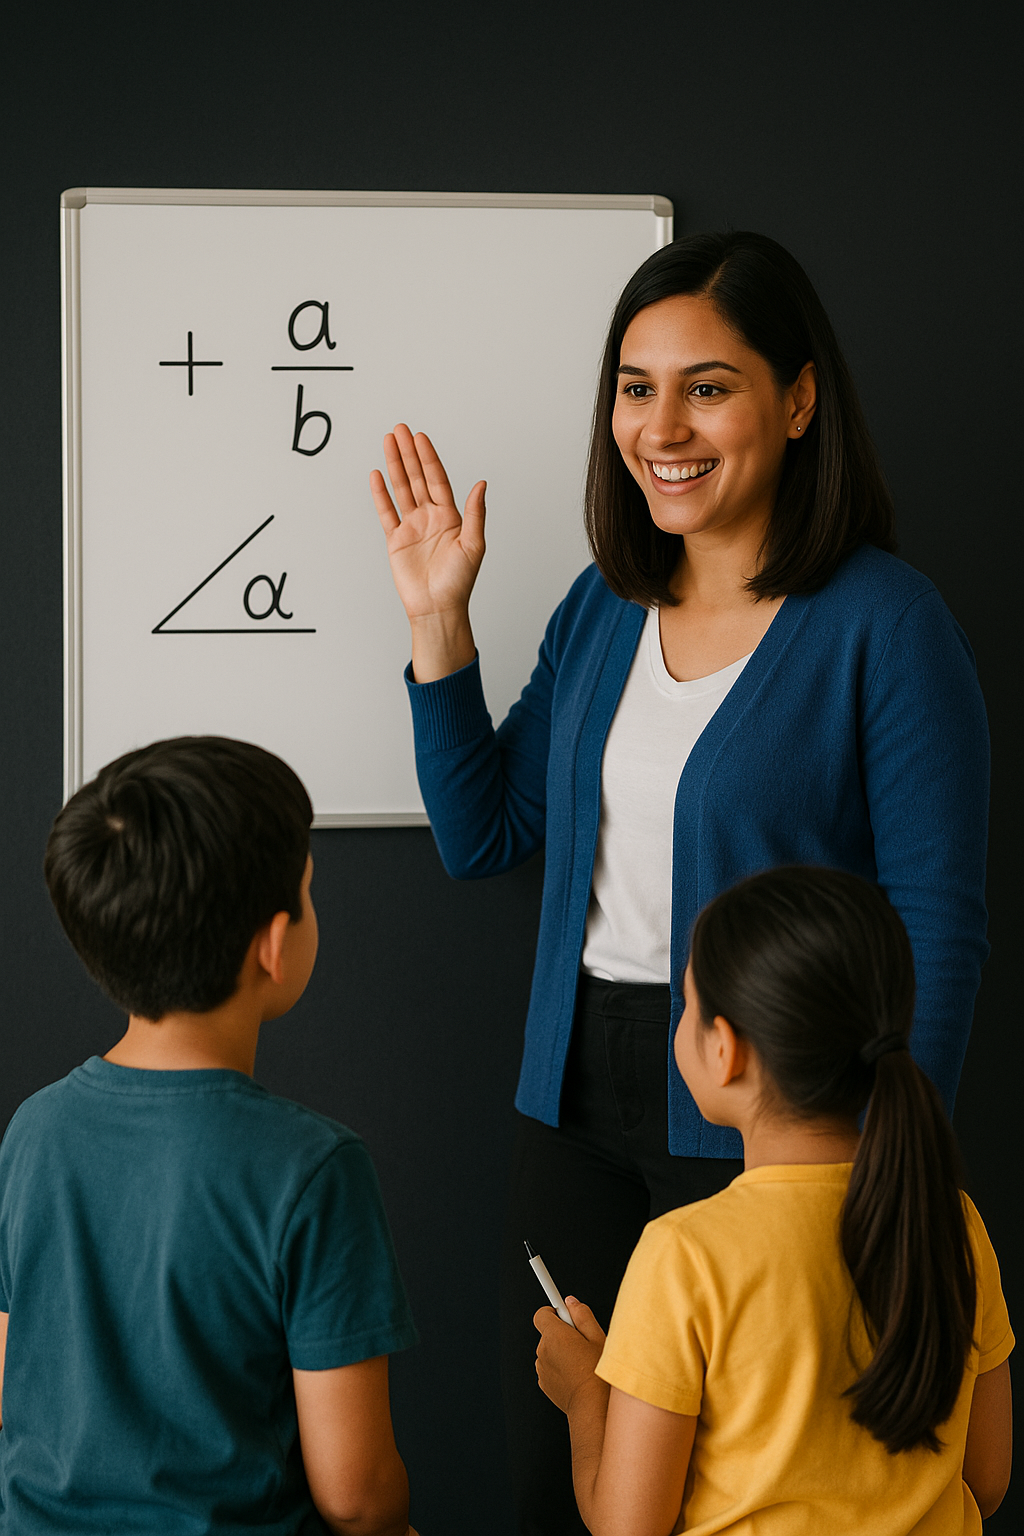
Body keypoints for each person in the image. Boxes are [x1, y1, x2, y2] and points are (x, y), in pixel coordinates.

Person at [369, 231, 990, 1533]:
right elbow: (486, 834)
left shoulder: (888, 623)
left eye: (708, 385)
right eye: (637, 387)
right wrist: (438, 622)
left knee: (717, 1494)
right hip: (574, 1107)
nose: (664, 425)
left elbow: (941, 917)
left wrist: (888, 1168)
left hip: (775, 1114)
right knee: (557, 1477)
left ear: (799, 399)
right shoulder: (604, 606)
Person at [0, 736, 419, 1536]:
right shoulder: (314, 1168)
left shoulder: (35, 1131)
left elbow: (9, 1387)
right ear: (272, 945)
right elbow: (356, 1493)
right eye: (308, 891)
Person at [534, 866, 1013, 1535]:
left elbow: (628, 1525)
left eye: (688, 1006)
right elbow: (985, 1482)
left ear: (724, 1050)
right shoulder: (953, 1223)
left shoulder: (686, 1256)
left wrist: (587, 1395)